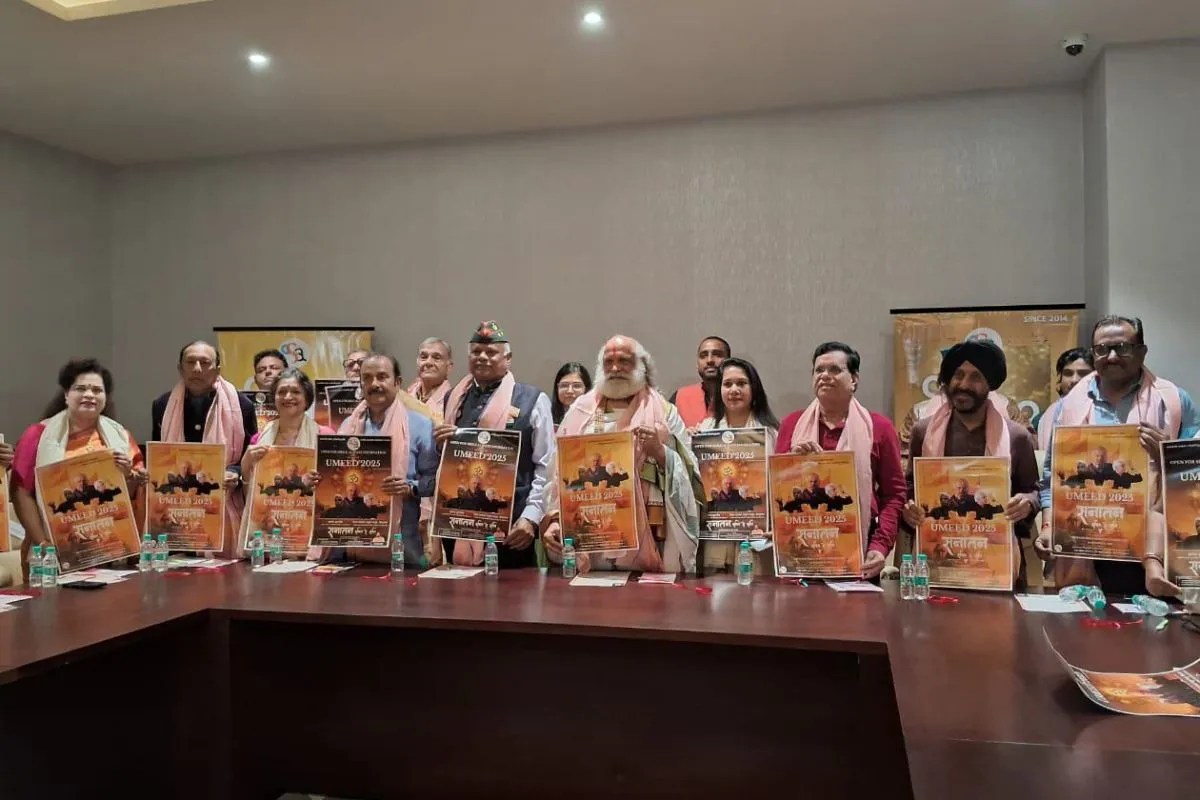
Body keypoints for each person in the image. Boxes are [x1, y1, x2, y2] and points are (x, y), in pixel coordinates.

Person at [1035, 315, 1200, 596]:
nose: (1111, 356)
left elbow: (1192, 478)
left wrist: (1169, 453)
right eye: (1102, 349)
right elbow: (1052, 477)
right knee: (1083, 621)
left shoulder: (1174, 400)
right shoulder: (1068, 405)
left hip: (1152, 546)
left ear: (1142, 352)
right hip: (1085, 543)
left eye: (1122, 347)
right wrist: (1048, 527)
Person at [543, 335, 701, 574]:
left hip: (649, 538)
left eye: (624, 361)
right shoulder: (579, 413)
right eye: (609, 362)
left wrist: (660, 453)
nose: (615, 369)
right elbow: (556, 474)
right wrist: (555, 519)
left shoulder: (664, 412)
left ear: (641, 366)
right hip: (590, 541)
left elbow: (690, 474)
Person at [900, 341, 1041, 588]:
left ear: (990, 384)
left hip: (996, 563)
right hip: (938, 563)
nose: (964, 384)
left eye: (975, 377)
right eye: (958, 375)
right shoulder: (923, 432)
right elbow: (910, 486)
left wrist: (1027, 503)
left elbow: (1033, 489)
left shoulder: (1016, 436)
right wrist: (908, 508)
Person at [776, 342, 906, 580]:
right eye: (819, 370)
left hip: (858, 553)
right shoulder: (791, 425)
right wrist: (792, 463)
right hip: (799, 552)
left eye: (835, 370)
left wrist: (880, 546)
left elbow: (894, 494)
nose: (824, 375)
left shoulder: (879, 427)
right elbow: (776, 491)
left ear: (854, 379)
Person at [10, 359, 146, 580]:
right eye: (81, 388)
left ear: (105, 398)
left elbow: (127, 495)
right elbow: (20, 492)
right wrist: (43, 543)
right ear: (66, 394)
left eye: (97, 390)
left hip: (109, 552)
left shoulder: (120, 436)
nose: (89, 395)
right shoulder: (38, 435)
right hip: (51, 554)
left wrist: (129, 476)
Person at [434, 321, 555, 568]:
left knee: (515, 592)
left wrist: (531, 518)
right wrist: (441, 446)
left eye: (491, 352)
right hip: (458, 524)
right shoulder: (453, 398)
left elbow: (547, 467)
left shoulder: (532, 400)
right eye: (476, 352)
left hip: (512, 529)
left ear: (508, 358)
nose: (482, 357)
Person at [151, 340, 257, 557]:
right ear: (180, 368)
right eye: (190, 362)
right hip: (177, 505)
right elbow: (157, 454)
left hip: (222, 502)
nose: (197, 369)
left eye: (205, 363)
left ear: (217, 369)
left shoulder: (241, 405)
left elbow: (249, 457)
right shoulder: (162, 405)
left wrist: (234, 472)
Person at [336, 354, 438, 566]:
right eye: (367, 378)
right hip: (352, 544)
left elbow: (434, 481)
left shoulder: (420, 425)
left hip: (404, 546)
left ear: (397, 382)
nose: (374, 384)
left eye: (382, 377)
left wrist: (410, 487)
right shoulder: (347, 426)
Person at [697, 357, 779, 572]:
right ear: (719, 390)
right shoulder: (705, 430)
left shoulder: (771, 434)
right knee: (715, 588)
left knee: (755, 588)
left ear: (754, 389)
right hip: (716, 534)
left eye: (741, 383)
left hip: (757, 534)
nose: (734, 390)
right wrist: (690, 444)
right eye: (727, 384)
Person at [238, 368, 334, 553]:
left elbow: (332, 490)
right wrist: (246, 464)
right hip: (267, 533)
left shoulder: (325, 436)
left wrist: (320, 481)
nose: (288, 397)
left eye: (296, 391)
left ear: (307, 398)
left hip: (309, 533)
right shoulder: (259, 439)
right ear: (274, 397)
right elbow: (250, 494)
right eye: (281, 392)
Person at [1037, 348, 1095, 451]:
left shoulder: (1100, 410)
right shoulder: (1048, 414)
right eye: (1068, 373)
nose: (1074, 380)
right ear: (1060, 378)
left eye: (1083, 374)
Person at [670, 336, 731, 429]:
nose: (709, 360)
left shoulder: (741, 395)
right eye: (703, 356)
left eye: (717, 354)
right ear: (697, 364)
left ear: (729, 361)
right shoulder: (680, 396)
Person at [407, 338, 454, 421]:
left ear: (449, 367)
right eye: (424, 357)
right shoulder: (405, 396)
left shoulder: (454, 401)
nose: (428, 362)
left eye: (437, 358)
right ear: (417, 363)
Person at [551, 362, 592, 428]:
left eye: (577, 386)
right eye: (564, 385)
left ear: (586, 389)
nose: (570, 391)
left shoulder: (597, 416)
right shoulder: (547, 415)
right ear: (557, 388)